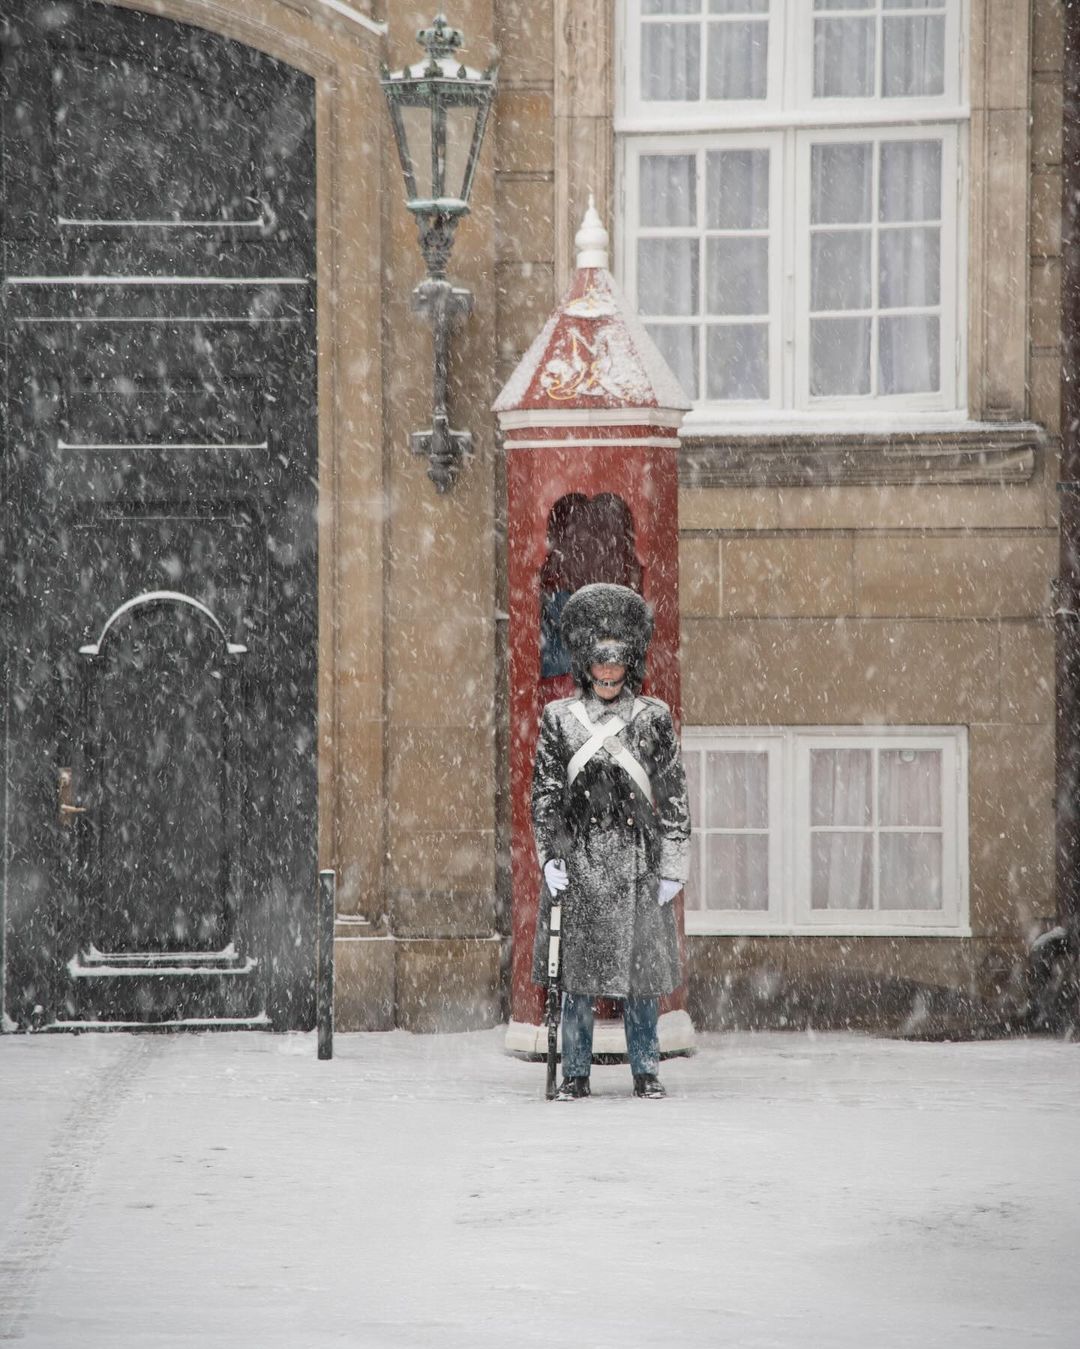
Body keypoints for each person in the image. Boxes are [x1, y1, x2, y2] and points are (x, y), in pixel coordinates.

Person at [530, 582, 691, 1100]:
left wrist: (674, 865)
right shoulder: (559, 719)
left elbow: (673, 796)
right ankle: (576, 1073)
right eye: (598, 665)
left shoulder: (653, 719)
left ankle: (646, 1069)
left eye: (615, 665)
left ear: (628, 666)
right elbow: (546, 795)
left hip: (639, 861)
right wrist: (551, 856)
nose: (606, 674)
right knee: (576, 980)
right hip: (580, 861)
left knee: (640, 979)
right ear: (585, 665)